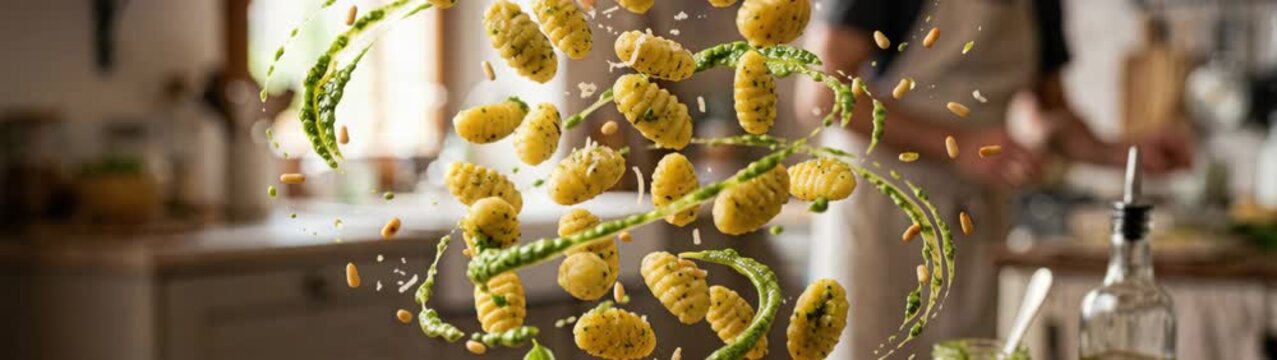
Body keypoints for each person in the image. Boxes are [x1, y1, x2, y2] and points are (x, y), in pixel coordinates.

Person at [795, 0, 1194, 358]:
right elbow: (823, 95)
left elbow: (1049, 111)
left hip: (974, 219)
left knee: (971, 350)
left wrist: (1121, 152)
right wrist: (958, 145)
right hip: (882, 215)